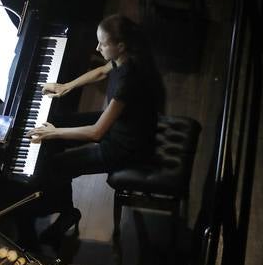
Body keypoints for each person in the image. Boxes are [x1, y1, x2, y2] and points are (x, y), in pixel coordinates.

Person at [23, 13, 165, 244]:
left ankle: (67, 213)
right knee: (57, 125)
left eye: (103, 43)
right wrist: (66, 86)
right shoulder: (125, 57)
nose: (97, 47)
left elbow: (96, 132)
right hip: (122, 125)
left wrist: (53, 133)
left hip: (126, 146)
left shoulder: (129, 80)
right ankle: (48, 188)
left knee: (57, 165)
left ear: (120, 45)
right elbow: (100, 71)